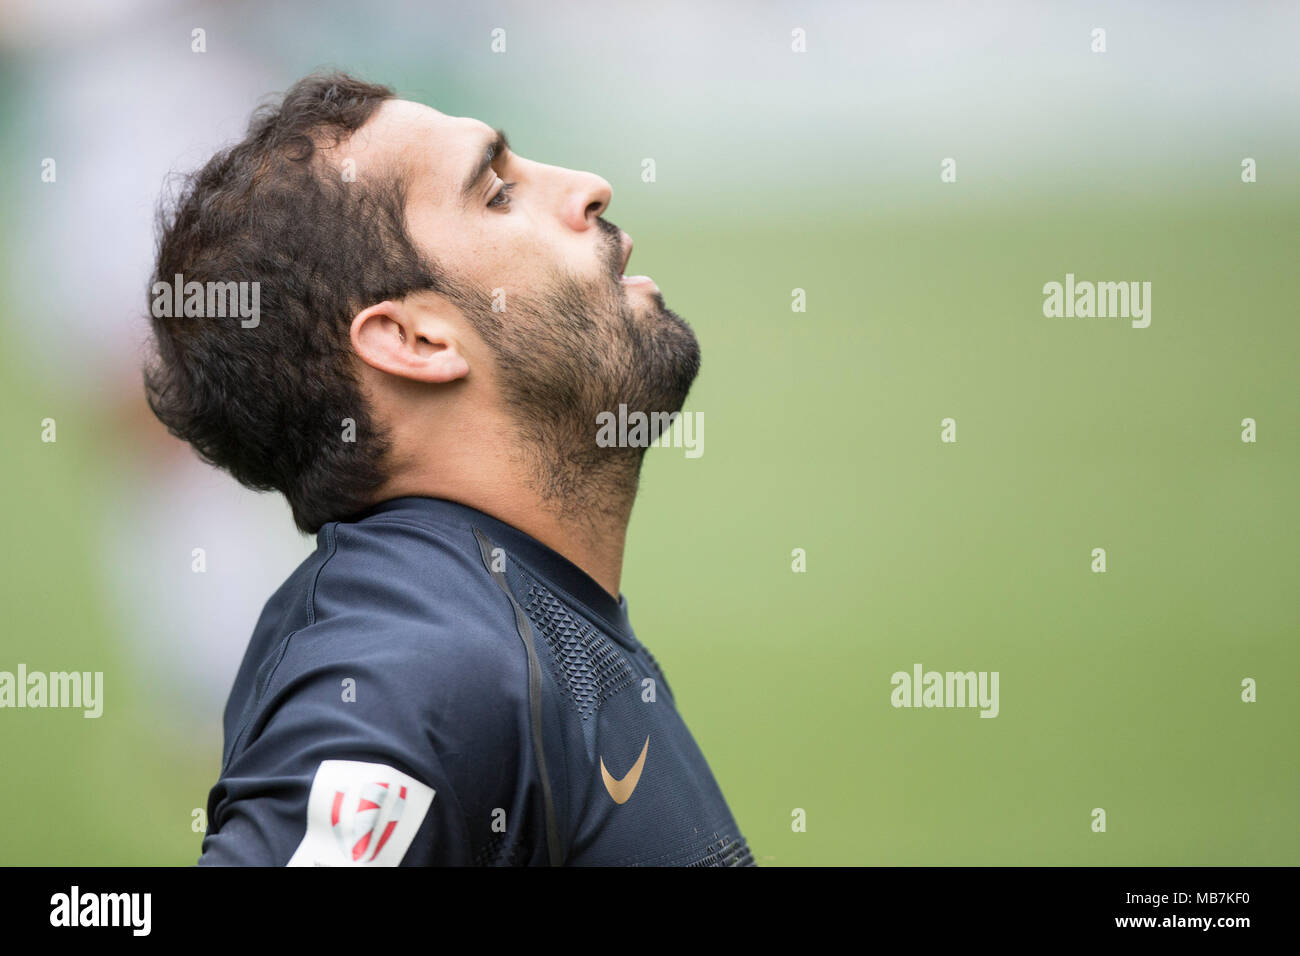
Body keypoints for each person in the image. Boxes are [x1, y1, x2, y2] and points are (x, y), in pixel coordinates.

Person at [144, 71, 752, 866]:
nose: (590, 188)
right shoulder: (413, 672)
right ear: (417, 341)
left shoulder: (501, 615)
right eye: (496, 192)